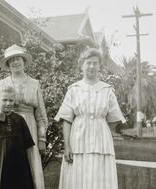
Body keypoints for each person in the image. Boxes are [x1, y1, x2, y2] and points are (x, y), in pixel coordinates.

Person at [54, 48, 126, 189]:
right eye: (88, 63)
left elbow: (114, 120)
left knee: (100, 177)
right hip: (78, 139)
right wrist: (67, 146)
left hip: (101, 140)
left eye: (95, 63)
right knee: (78, 178)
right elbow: (67, 120)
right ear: (82, 65)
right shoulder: (74, 89)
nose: (92, 66)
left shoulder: (107, 90)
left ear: (100, 66)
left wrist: (109, 132)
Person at [0, 44, 48, 189]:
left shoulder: (34, 84)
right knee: (9, 167)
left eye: (18, 58)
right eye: (11, 60)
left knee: (31, 165)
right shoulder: (3, 83)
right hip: (7, 128)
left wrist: (42, 138)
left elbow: (40, 114)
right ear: (8, 64)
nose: (15, 62)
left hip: (29, 128)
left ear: (24, 61)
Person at [0, 86, 35, 189]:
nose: (8, 103)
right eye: (4, 100)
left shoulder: (19, 120)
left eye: (11, 100)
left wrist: (30, 169)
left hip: (20, 169)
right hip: (0, 168)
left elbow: (28, 147)